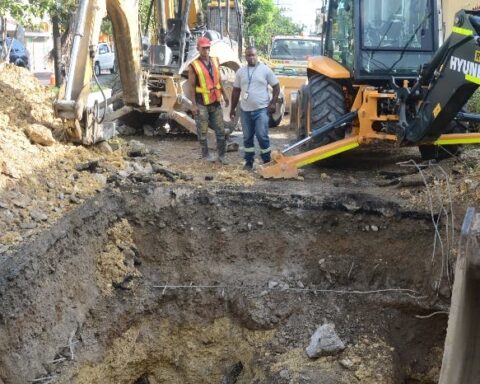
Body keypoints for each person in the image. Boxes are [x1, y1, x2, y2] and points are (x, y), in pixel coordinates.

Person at [229, 46, 280, 170]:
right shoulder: (241, 72)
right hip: (245, 111)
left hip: (261, 110)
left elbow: (276, 86)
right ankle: (249, 161)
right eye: (248, 55)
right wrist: (232, 108)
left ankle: (267, 160)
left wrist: (273, 103)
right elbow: (236, 91)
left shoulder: (265, 70)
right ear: (245, 57)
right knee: (247, 137)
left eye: (253, 55)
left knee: (262, 135)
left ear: (257, 56)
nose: (251, 57)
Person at [188, 36, 230, 164]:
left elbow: (219, 81)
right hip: (201, 103)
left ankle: (221, 156)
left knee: (220, 130)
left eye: (208, 48)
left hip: (215, 101)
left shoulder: (215, 61)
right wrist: (193, 105)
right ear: (198, 49)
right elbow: (191, 87)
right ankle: (205, 154)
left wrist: (225, 95)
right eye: (204, 48)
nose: (206, 51)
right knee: (202, 130)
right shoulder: (193, 65)